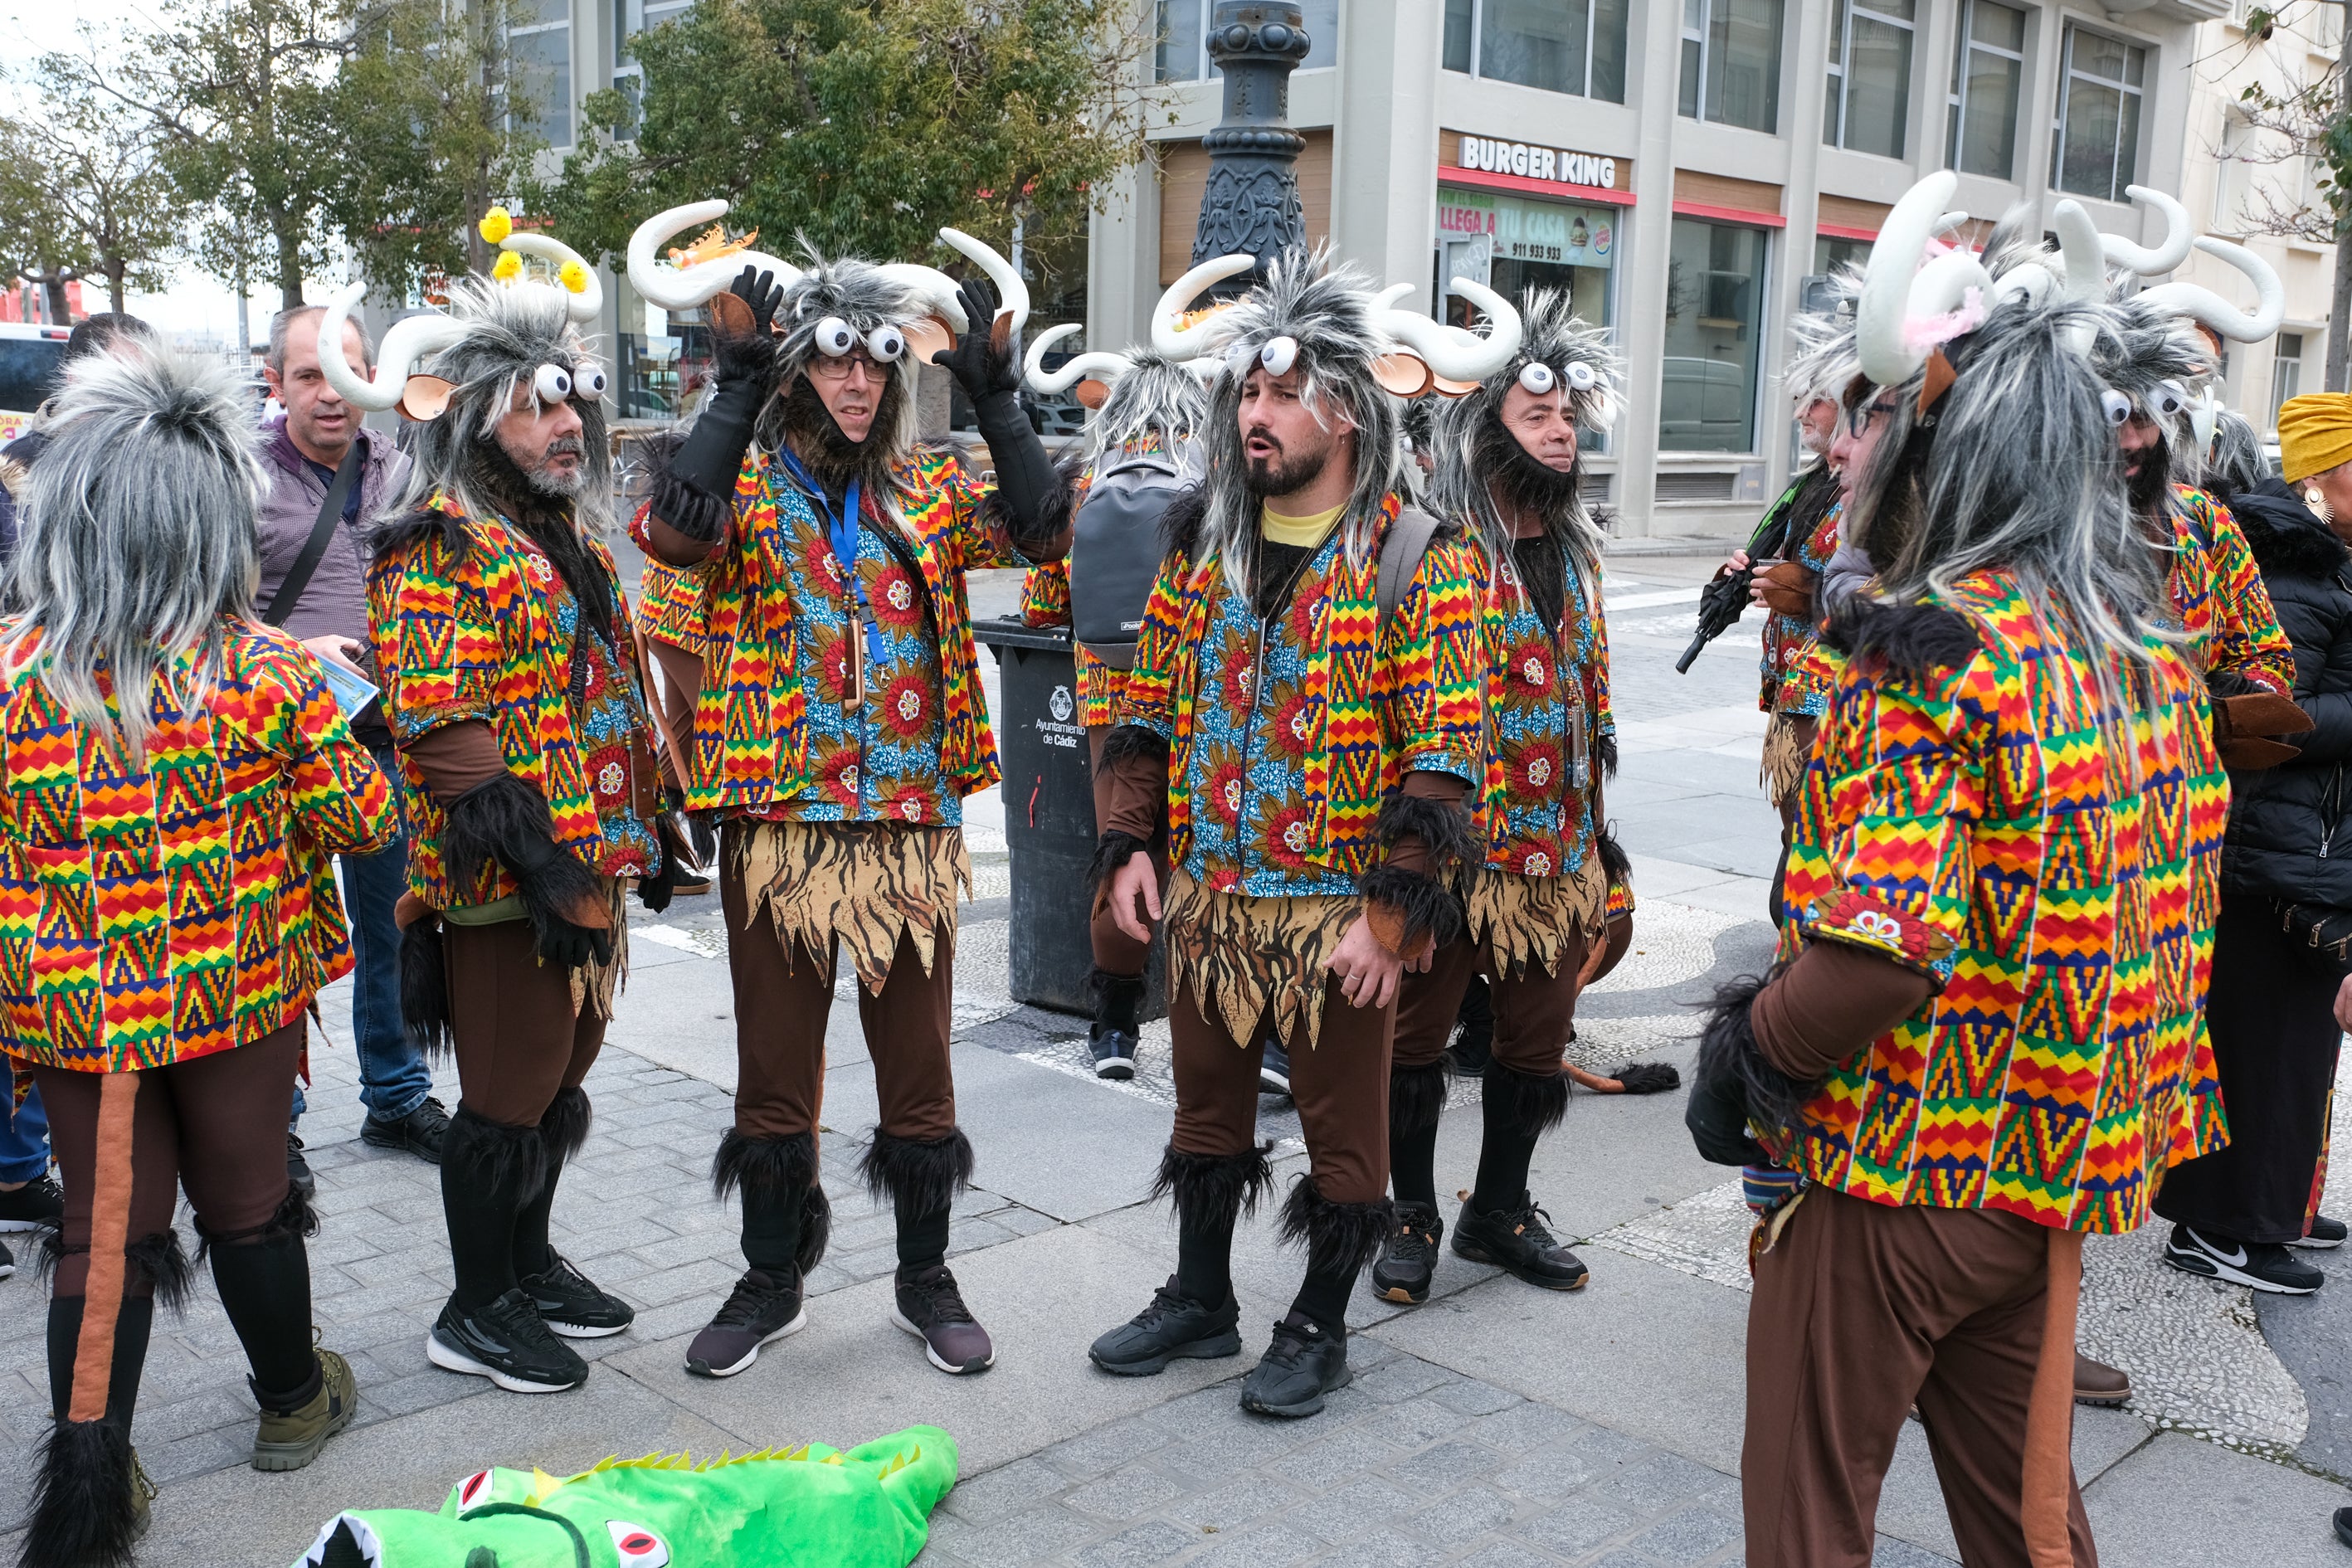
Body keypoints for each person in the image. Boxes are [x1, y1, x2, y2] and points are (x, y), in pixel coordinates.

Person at [1689, 173, 2224, 1566]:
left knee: (1808, 1511)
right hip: (2045, 1176)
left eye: (1882, 420)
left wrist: (1747, 1055)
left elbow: (1880, 946)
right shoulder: (2141, 653)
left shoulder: (1932, 647)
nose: (1854, 454)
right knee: (2027, 1518)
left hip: (1897, 1173)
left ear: (1951, 448)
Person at [629, 210, 1073, 1381]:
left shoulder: (924, 491)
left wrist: (998, 401)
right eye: (829, 355)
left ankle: (925, 1276)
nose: (856, 381)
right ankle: (770, 1276)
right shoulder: (746, 490)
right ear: (792, 366)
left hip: (905, 832)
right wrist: (733, 383)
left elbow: (1041, 536)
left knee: (916, 1070)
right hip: (776, 831)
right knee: (774, 1071)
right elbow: (670, 539)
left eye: (874, 358)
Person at [1084, 252, 1498, 1418]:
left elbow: (1444, 755)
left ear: (1351, 410)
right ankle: (1201, 1294)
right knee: (1203, 1113)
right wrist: (1129, 847)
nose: (1253, 416)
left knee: (1342, 1136)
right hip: (1211, 903)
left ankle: (1318, 1323)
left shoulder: (1420, 556)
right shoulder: (1198, 541)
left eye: (1282, 394)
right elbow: (1144, 710)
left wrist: (1388, 916)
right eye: (1248, 396)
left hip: (1336, 918)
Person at [10, 347, 395, 1566]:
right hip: (231, 993)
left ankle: (96, 1457)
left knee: (103, 1227)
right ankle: (291, 1399)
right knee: (248, 1203)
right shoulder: (263, 671)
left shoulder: (16, 676)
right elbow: (367, 823)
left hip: (75, 1012)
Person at [347, 222, 675, 1396]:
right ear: (474, 414)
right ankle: (473, 1306)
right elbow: (441, 734)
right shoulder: (436, 540)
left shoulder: (555, 528)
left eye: (570, 401)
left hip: (581, 865)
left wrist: (652, 827)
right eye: (539, 407)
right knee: (502, 1096)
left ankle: (528, 1266)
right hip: (502, 884)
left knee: (557, 1080)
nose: (567, 424)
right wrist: (546, 873)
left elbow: (605, 689)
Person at [1376, 290, 1666, 1307]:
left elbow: (1588, 698)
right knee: (1412, 1050)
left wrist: (1599, 841)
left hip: (1557, 854)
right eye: (1536, 415)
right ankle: (1406, 1212)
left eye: (1568, 418)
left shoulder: (1574, 549)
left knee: (1533, 1052)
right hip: (1453, 860)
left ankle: (1498, 1209)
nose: (1561, 430)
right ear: (1483, 426)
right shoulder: (1430, 548)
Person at [2153, 397, 2352, 1293]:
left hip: (2315, 836)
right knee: (2262, 1042)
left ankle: (2281, 1202)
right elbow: (2270, 717)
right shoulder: (2289, 571)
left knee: (2303, 1041)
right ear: (2320, 478)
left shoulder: (2334, 567)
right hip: (2273, 842)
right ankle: (2223, 1224)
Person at [260, 304, 448, 1183]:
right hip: (269, 754)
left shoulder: (408, 472)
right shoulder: (239, 480)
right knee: (272, 934)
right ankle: (268, 1122)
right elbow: (193, 617)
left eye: (345, 374)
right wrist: (291, 653)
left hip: (381, 745)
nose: (331, 395)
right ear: (278, 384)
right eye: (310, 376)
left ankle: (398, 1097)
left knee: (393, 928)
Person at [1018, 335, 1209, 1079]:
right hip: (1200, 692)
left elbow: (1041, 606)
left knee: (1123, 849)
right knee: (1209, 853)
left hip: (1110, 696)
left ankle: (1115, 1026)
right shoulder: (1218, 480)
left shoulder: (1090, 485)